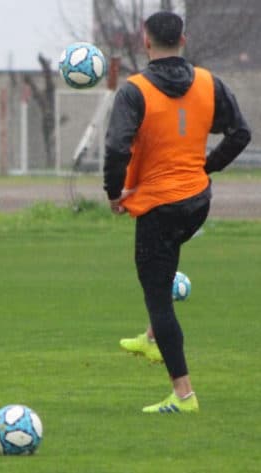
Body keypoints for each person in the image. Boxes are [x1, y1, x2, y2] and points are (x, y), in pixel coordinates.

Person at [104, 11, 251, 413]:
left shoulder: (134, 91)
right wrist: (208, 166)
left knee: (158, 296)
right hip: (197, 202)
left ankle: (183, 394)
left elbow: (117, 147)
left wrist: (114, 192)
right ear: (183, 40)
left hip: (159, 205)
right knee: (165, 265)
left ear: (144, 40)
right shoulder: (208, 83)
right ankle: (152, 337)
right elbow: (240, 132)